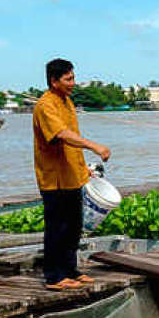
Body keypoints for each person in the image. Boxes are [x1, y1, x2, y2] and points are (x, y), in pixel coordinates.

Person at [33, 58, 111, 290]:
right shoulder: (46, 105)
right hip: (54, 178)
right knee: (56, 227)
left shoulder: (66, 101)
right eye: (68, 79)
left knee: (74, 226)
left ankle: (70, 269)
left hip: (71, 175)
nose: (73, 83)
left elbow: (72, 139)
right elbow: (62, 135)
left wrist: (83, 168)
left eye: (73, 77)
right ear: (53, 81)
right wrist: (95, 146)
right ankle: (54, 276)